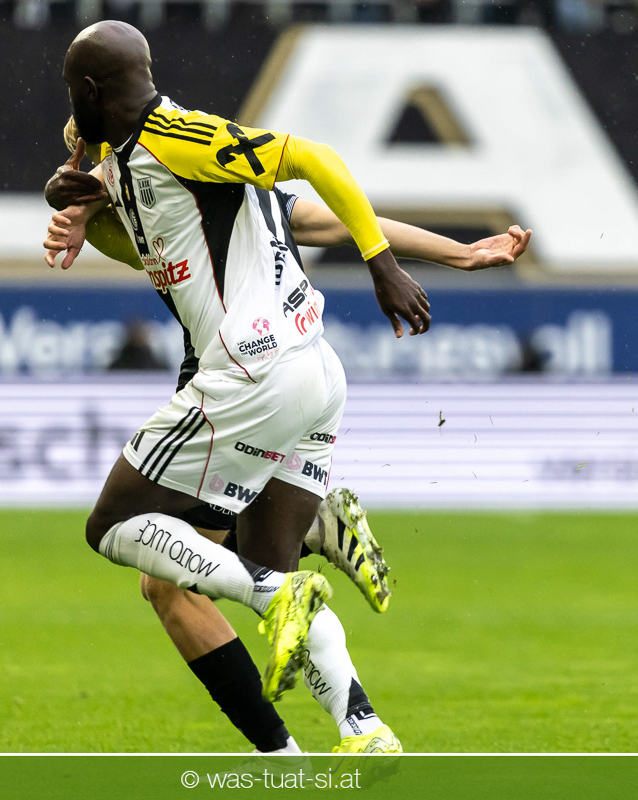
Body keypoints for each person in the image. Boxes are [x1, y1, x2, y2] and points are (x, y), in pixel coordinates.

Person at [42, 21, 530, 755]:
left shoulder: (181, 139)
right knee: (237, 563)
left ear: (88, 94)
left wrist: (382, 263)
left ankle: (285, 583)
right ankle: (362, 728)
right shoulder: (169, 175)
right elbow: (312, 220)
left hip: (250, 375)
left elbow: (314, 159)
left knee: (115, 529)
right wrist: (456, 252)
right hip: (314, 374)